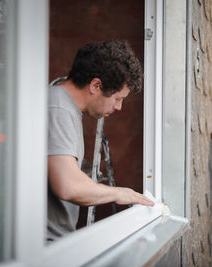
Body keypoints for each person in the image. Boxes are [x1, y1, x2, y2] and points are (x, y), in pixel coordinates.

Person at [47, 40, 154, 242]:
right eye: (118, 98)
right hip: (40, 249)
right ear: (96, 85)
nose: (119, 107)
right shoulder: (59, 108)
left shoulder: (63, 105)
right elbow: (68, 186)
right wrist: (119, 194)